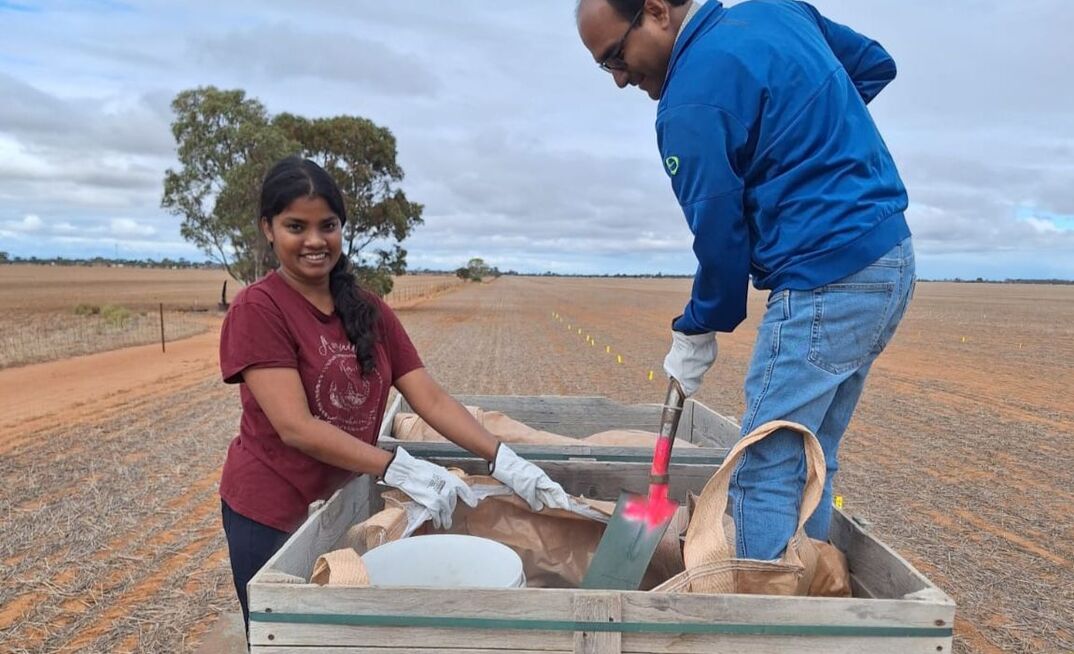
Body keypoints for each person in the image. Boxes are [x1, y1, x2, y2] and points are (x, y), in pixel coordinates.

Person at [577, 0, 916, 561]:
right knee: (810, 457)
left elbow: (721, 244)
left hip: (825, 278)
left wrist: (696, 326)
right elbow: (875, 64)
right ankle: (803, 599)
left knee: (762, 473)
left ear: (657, 11)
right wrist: (815, 135)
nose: (618, 79)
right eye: (604, 67)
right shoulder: (778, 12)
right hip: (890, 259)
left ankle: (761, 628)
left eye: (616, 56)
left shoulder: (689, 103)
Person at [218, 156, 571, 629]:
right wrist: (397, 467)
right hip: (271, 512)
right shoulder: (258, 309)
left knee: (342, 633)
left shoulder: (368, 309)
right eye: (295, 226)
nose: (315, 241)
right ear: (268, 228)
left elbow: (432, 399)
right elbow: (295, 426)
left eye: (328, 225)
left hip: (343, 502)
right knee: (283, 634)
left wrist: (502, 458)